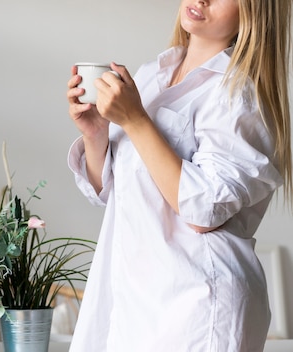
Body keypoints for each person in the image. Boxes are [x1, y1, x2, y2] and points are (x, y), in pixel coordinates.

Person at [65, 0, 291, 351]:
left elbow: (202, 212)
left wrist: (136, 120)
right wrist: (96, 135)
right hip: (135, 302)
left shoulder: (241, 95)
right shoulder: (152, 74)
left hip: (196, 310)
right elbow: (116, 195)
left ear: (255, 11)